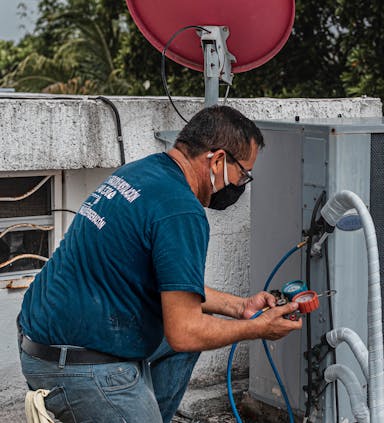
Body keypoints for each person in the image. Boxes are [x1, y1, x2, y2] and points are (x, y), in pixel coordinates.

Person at [17, 105, 302, 422]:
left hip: (41, 339)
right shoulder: (181, 211)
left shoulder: (140, 173)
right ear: (219, 159)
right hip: (77, 366)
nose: (241, 184)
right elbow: (185, 331)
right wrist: (257, 327)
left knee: (181, 339)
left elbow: (175, 290)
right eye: (243, 174)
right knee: (189, 335)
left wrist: (241, 307)